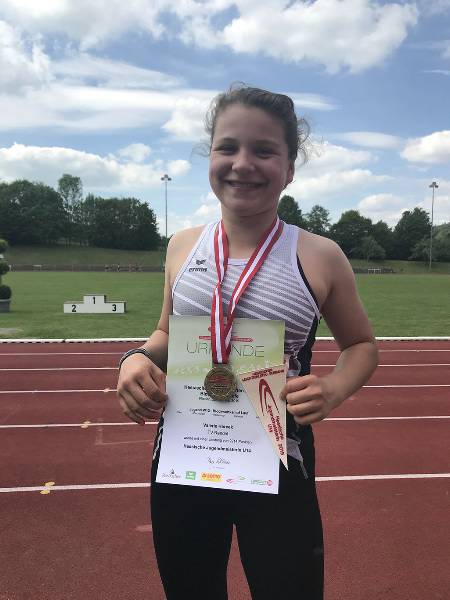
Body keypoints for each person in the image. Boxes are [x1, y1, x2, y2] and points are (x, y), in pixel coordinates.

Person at [116, 84, 378, 600]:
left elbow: (362, 345)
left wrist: (333, 389)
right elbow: (167, 332)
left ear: (290, 167)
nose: (242, 164)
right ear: (210, 156)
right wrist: (136, 358)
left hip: (278, 460)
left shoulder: (319, 255)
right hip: (187, 456)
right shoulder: (182, 245)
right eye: (228, 147)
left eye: (264, 150)